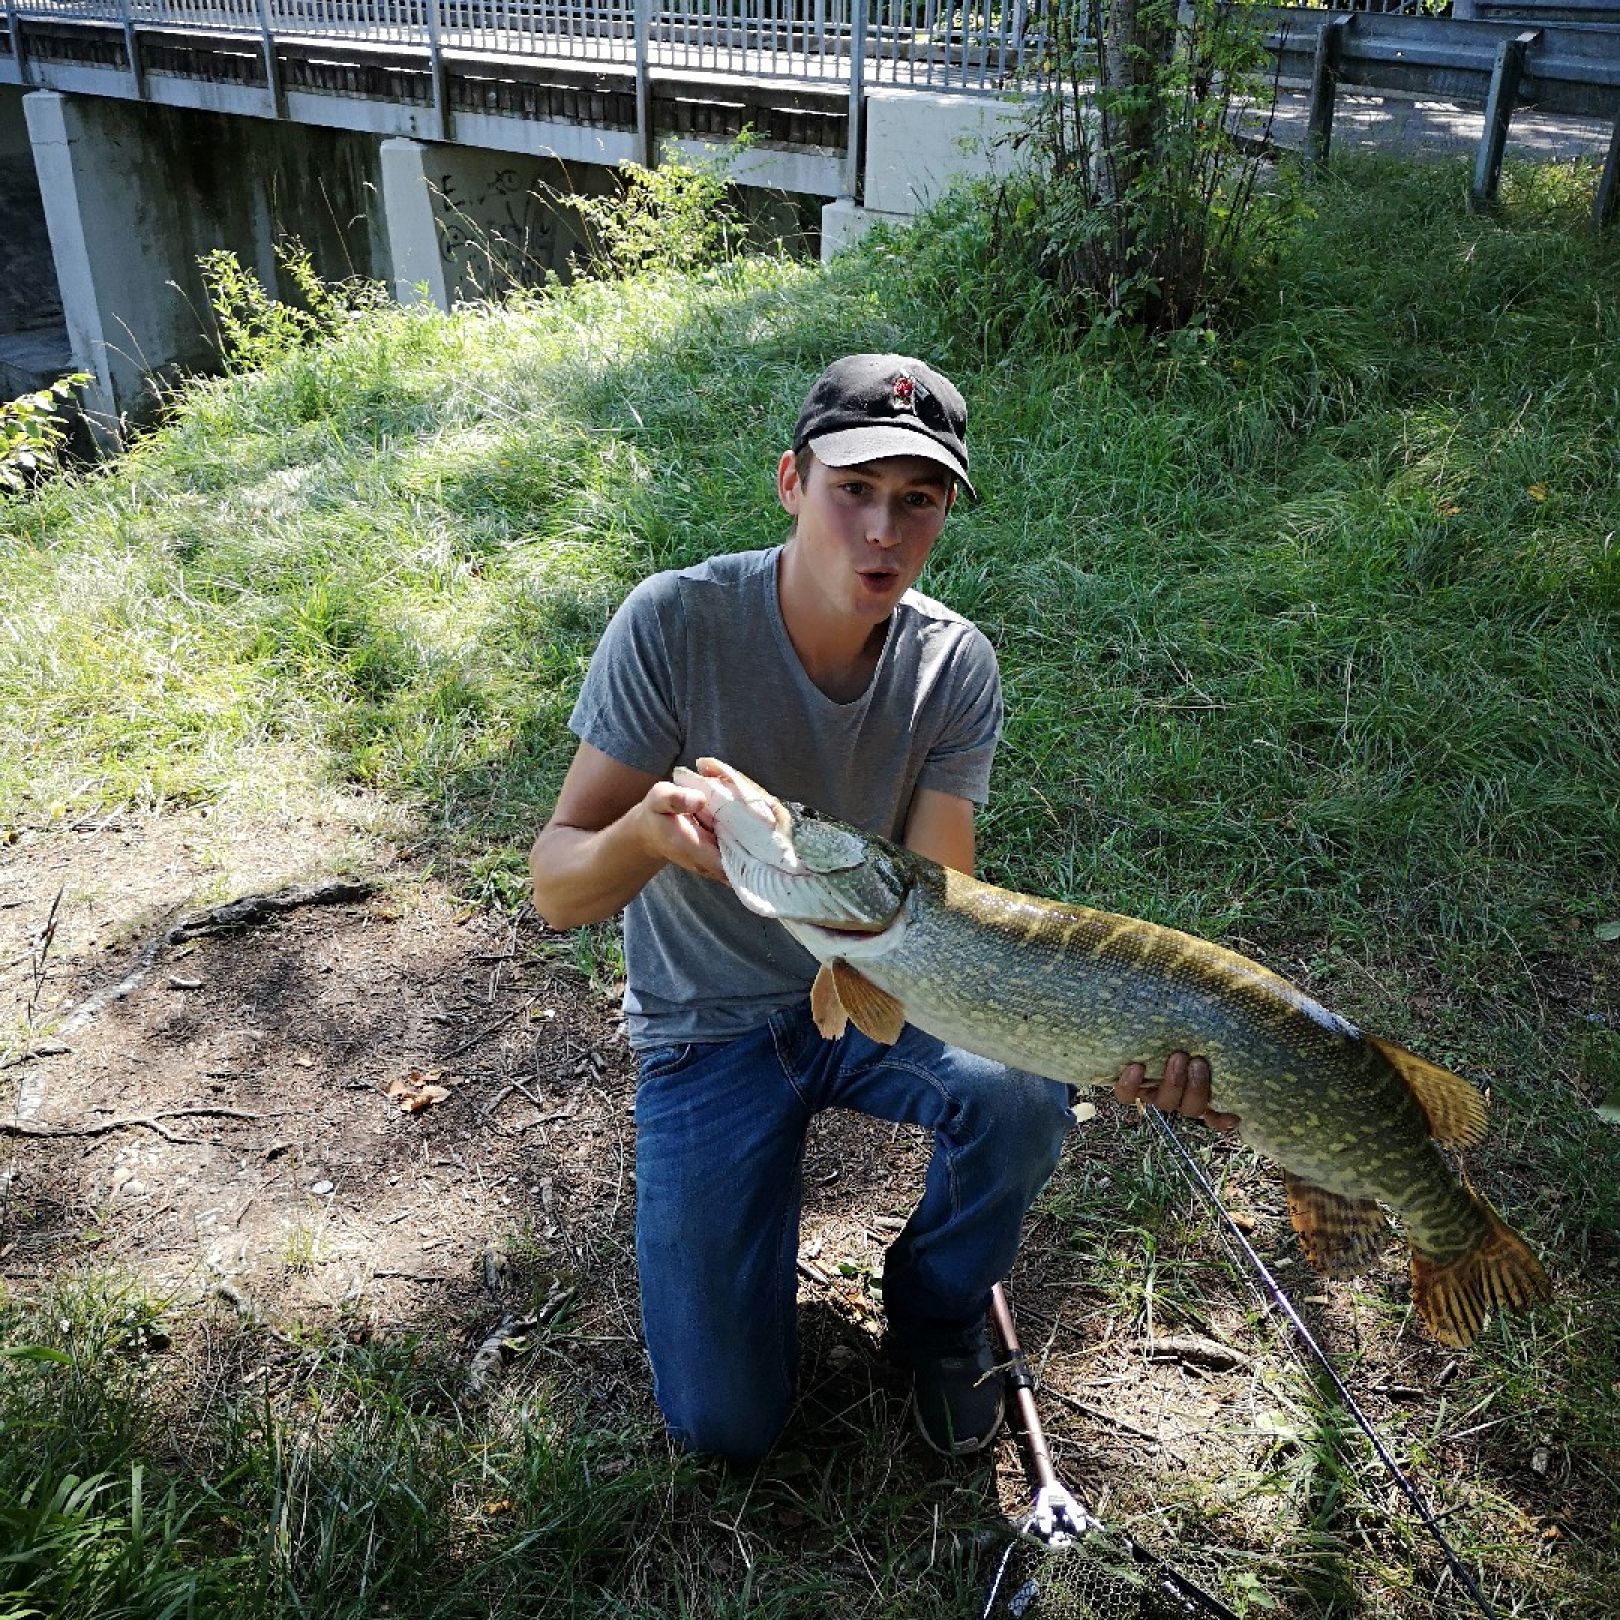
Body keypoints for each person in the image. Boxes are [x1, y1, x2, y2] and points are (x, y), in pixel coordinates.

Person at [529, 353, 1233, 1465]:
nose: (883, 532)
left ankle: (940, 1311)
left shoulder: (953, 665)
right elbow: (557, 883)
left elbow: (945, 919)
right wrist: (644, 838)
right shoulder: (672, 625)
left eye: (920, 500)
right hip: (705, 1034)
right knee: (725, 1428)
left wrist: (1104, 1047)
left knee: (1022, 1096)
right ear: (791, 482)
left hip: (874, 998)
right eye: (854, 488)